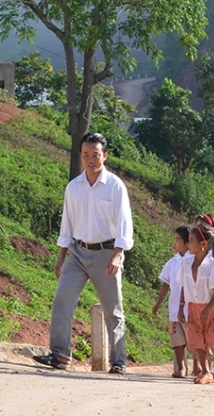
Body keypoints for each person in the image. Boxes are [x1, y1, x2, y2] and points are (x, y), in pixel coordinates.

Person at [33, 132, 133, 374]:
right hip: (77, 254)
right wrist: (61, 257)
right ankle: (60, 355)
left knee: (113, 309)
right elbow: (67, 224)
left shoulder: (115, 186)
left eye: (95, 155)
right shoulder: (73, 187)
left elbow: (124, 223)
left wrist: (118, 253)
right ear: (80, 156)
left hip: (106, 253)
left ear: (105, 156)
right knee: (62, 300)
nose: (90, 159)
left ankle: (119, 361)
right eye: (86, 155)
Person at [177, 223, 214, 384]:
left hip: (210, 306)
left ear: (203, 244)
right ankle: (205, 371)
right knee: (195, 338)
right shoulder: (185, 263)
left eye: (191, 240)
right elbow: (183, 286)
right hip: (193, 306)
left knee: (212, 335)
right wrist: (181, 307)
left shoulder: (211, 265)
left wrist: (207, 309)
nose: (188, 244)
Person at [152, 225, 192, 378]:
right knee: (177, 340)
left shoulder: (192, 260)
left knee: (192, 339)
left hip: (190, 307)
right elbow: (165, 284)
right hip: (174, 307)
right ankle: (181, 368)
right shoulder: (172, 263)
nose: (174, 243)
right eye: (173, 239)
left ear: (188, 243)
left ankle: (200, 367)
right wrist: (158, 303)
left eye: (177, 240)